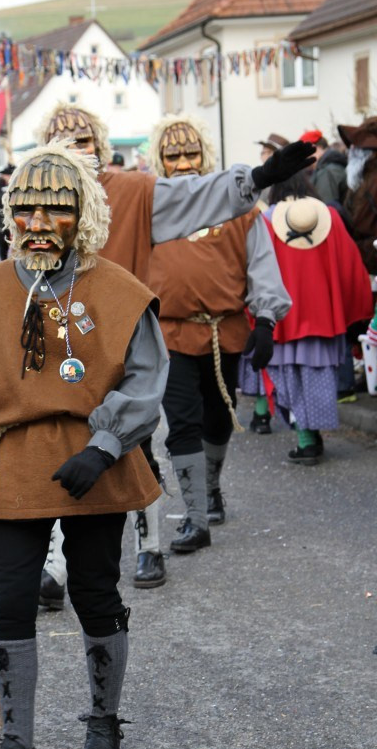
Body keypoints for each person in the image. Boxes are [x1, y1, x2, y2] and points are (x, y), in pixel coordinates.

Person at [0, 143, 169, 749]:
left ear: (82, 215)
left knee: (95, 593)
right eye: (26, 208)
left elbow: (147, 376)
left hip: (98, 459)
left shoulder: (118, 290)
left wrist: (105, 445)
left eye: (55, 209)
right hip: (16, 459)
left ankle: (103, 719)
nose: (38, 221)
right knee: (10, 600)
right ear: (10, 215)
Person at [33, 102, 313, 595]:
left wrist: (260, 176)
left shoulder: (135, 192)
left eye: (84, 141)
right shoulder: (30, 195)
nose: (75, 150)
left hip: (125, 342)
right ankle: (55, 567)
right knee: (56, 443)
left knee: (137, 443)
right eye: (62, 142)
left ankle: (149, 546)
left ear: (99, 146)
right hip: (60, 342)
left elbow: (195, 194)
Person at [146, 114, 291, 560]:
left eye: (191, 153)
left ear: (204, 154)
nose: (184, 162)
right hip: (168, 332)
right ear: (161, 160)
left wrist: (266, 321)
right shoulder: (150, 208)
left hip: (224, 330)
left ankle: (210, 489)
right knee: (183, 423)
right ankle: (195, 518)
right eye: (173, 156)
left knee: (217, 418)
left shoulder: (239, 208)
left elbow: (261, 264)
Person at [261, 183, 372, 464]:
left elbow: (255, 269)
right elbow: (350, 266)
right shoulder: (329, 216)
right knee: (319, 378)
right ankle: (312, 436)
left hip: (283, 319)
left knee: (289, 380)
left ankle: (306, 438)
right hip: (325, 317)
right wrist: (349, 309)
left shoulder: (266, 219)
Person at [338, 117, 377, 276]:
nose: (351, 150)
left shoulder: (373, 179)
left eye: (357, 147)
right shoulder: (361, 179)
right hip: (364, 262)